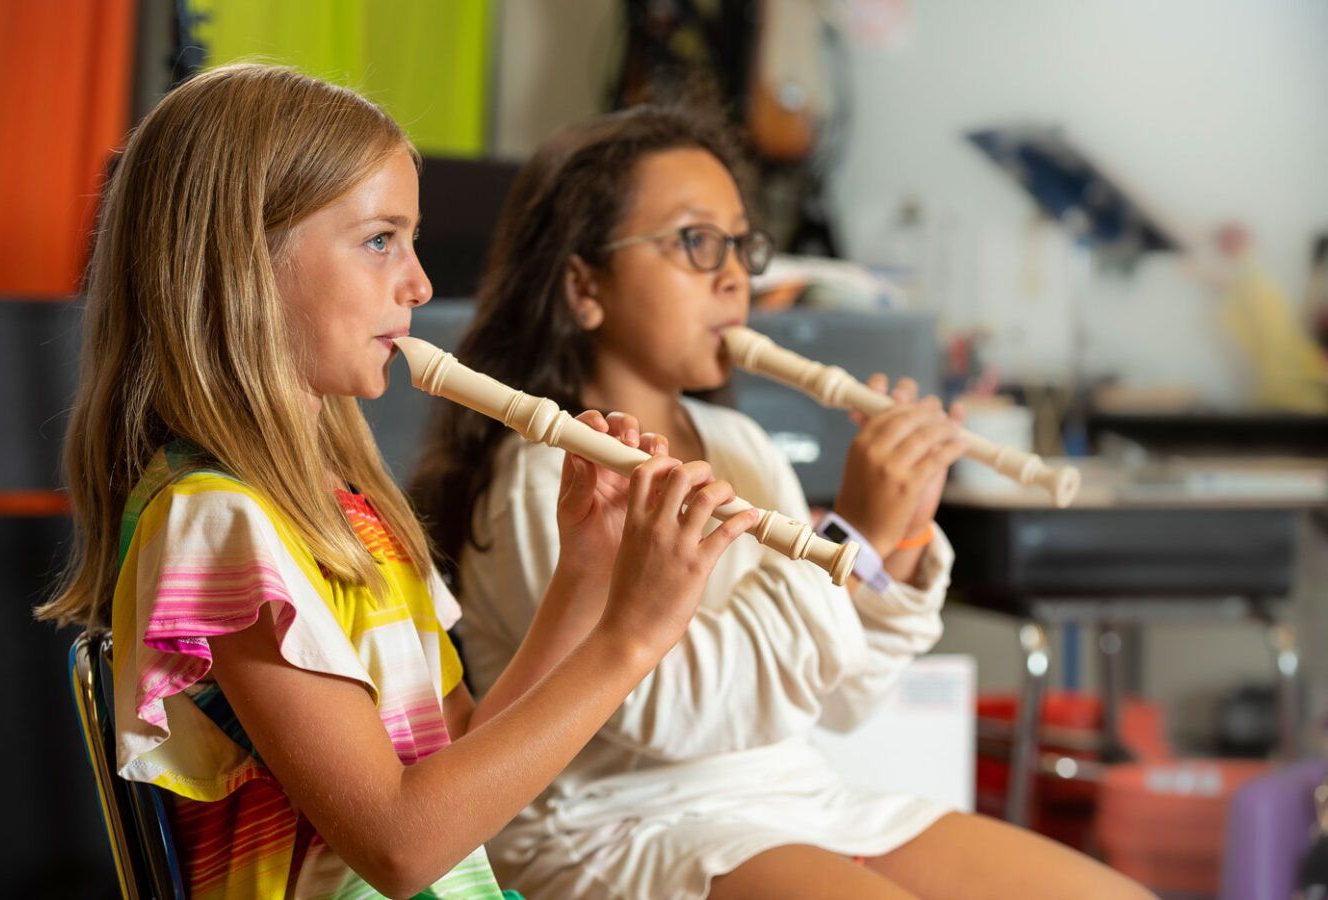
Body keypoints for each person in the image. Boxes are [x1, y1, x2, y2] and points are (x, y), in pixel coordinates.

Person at [35, 65, 758, 899]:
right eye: (382, 240)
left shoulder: (351, 512)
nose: (418, 284)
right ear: (243, 263)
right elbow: (402, 846)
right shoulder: (216, 525)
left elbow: (458, 774)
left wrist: (586, 577)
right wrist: (630, 639)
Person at [411, 106, 1151, 900]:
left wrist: (894, 538)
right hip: (619, 828)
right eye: (696, 242)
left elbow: (844, 696)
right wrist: (852, 533)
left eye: (741, 245)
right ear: (585, 285)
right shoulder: (547, 478)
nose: (736, 277)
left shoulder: (739, 443)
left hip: (796, 796)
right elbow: (675, 717)